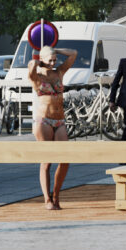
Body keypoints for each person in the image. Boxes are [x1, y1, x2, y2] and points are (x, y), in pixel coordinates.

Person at [29, 43, 76, 210]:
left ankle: (56, 194)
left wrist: (55, 50)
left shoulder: (59, 73)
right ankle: (47, 199)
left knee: (65, 159)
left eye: (55, 60)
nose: (53, 63)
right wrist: (37, 61)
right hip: (44, 120)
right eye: (50, 60)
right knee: (46, 161)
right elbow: (30, 68)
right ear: (42, 60)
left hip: (59, 120)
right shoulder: (37, 77)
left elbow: (73, 53)